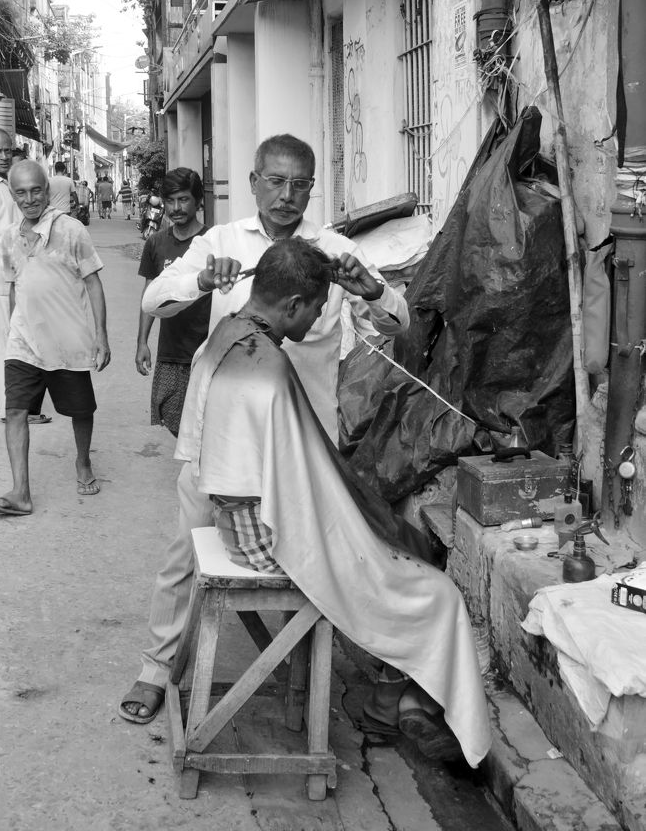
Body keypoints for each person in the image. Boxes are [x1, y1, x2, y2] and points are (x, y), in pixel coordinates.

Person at [156, 238, 491, 768]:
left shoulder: (226, 335)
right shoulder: (266, 367)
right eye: (314, 309)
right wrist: (358, 518)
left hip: (235, 516)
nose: (316, 320)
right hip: (263, 536)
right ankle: (406, 700)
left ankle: (390, 699)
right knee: (434, 591)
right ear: (291, 305)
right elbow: (300, 484)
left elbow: (242, 456)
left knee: (394, 540)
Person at [120, 132, 410, 723]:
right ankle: (156, 668)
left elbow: (398, 321)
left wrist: (372, 291)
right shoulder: (221, 242)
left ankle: (301, 683)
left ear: (311, 188)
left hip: (302, 444)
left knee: (311, 557)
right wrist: (201, 281)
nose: (286, 195)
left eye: (299, 183)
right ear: (252, 182)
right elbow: (154, 299)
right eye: (274, 181)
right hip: (222, 439)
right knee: (187, 546)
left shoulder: (331, 251)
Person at [0, 161, 111, 516]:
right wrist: (10, 330)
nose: (29, 198)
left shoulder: (71, 230)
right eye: (20, 192)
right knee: (16, 410)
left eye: (36, 190)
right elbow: (14, 286)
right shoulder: (8, 236)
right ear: (12, 193)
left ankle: (83, 461)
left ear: (47, 189)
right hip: (23, 343)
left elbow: (93, 282)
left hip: (66, 341)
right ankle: (20, 491)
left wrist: (101, 335)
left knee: (80, 410)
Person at [0, 128, 50, 424]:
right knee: (8, 344)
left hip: (9, 276)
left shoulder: (6, 182)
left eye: (8, 150)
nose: (4, 156)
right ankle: (14, 410)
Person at [136, 168, 210, 437]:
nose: (176, 208)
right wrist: (142, 342)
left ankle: (200, 475)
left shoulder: (212, 241)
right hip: (171, 351)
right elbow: (149, 296)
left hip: (207, 350)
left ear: (198, 201)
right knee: (174, 416)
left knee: (208, 423)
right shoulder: (156, 243)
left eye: (184, 199)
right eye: (171, 201)